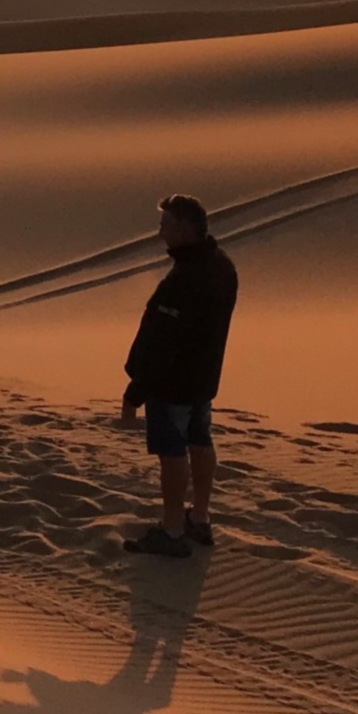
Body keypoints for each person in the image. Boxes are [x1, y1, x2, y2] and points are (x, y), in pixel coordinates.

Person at [118, 192, 237, 558]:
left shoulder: (188, 277)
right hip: (202, 381)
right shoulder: (221, 265)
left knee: (172, 454)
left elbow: (164, 344)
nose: (160, 232)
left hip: (174, 384)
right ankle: (198, 518)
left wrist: (135, 392)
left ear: (185, 229)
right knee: (200, 442)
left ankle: (171, 531)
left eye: (166, 224)